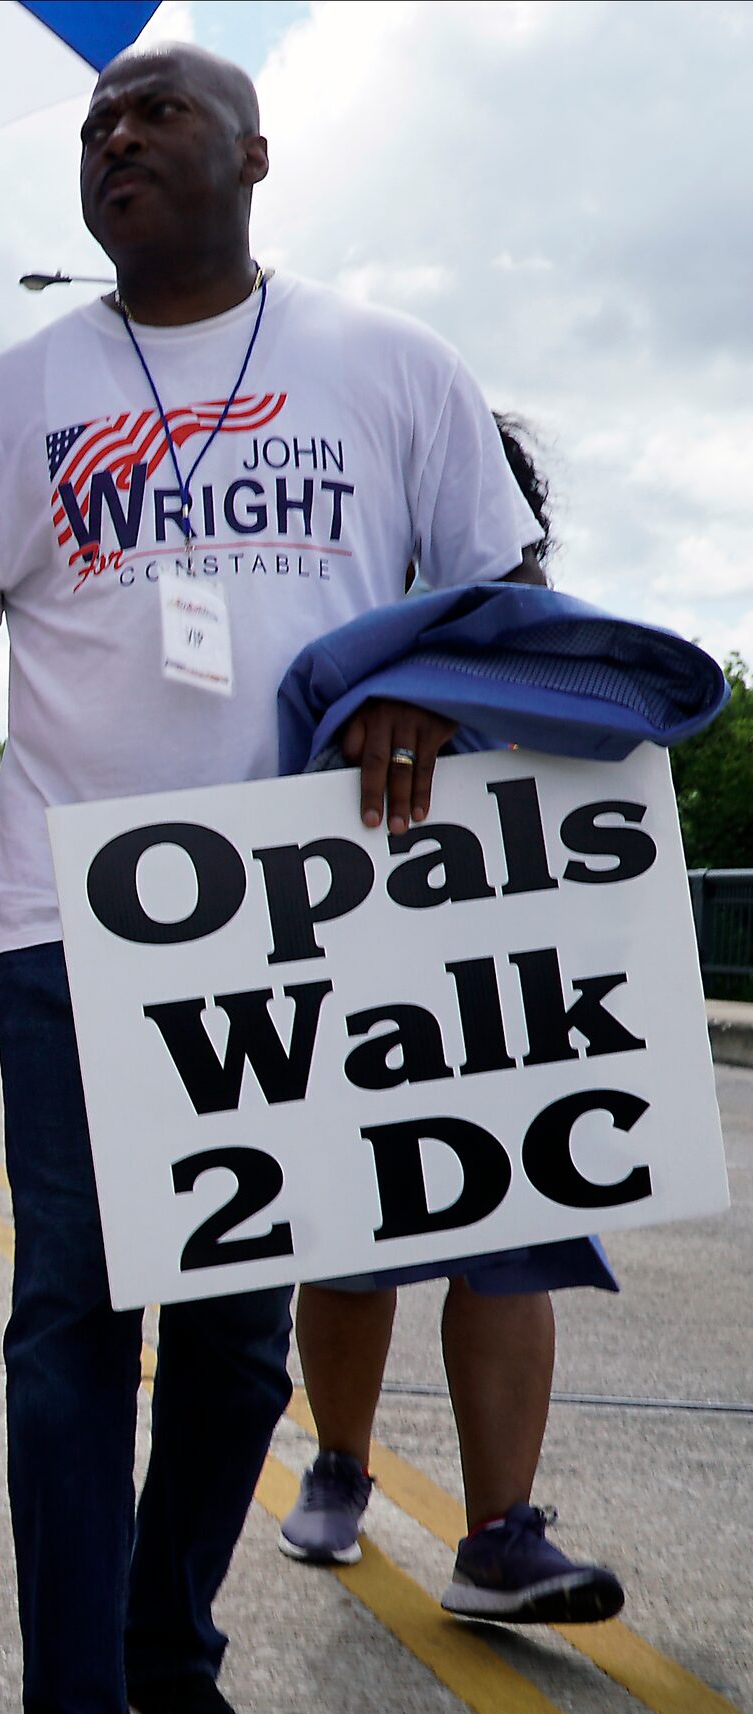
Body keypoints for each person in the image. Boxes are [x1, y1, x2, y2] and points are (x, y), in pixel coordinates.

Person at [0, 44, 547, 1714]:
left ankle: (167, 1641)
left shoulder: (393, 369)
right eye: (97, 127)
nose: (119, 140)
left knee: (241, 1346)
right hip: (83, 936)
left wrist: (418, 682)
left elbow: (502, 592)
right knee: (73, 1326)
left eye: (156, 114)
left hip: (314, 934)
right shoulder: (15, 398)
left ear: (256, 151)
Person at [279, 416, 624, 1624]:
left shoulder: (564, 660)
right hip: (367, 999)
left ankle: (498, 1532)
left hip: (507, 1006)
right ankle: (339, 1462)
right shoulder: (335, 657)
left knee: (511, 1236)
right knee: (352, 1245)